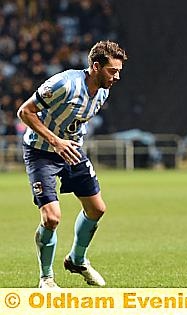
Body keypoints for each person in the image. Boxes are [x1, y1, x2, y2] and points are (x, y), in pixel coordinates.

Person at [17, 40, 127, 288]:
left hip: (71, 151)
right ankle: (46, 278)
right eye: (113, 70)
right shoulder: (64, 83)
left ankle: (77, 259)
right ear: (96, 66)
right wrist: (56, 141)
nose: (117, 76)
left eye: (119, 71)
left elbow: (76, 122)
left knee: (97, 209)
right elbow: (25, 112)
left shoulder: (103, 91)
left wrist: (69, 143)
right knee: (52, 218)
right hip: (41, 151)